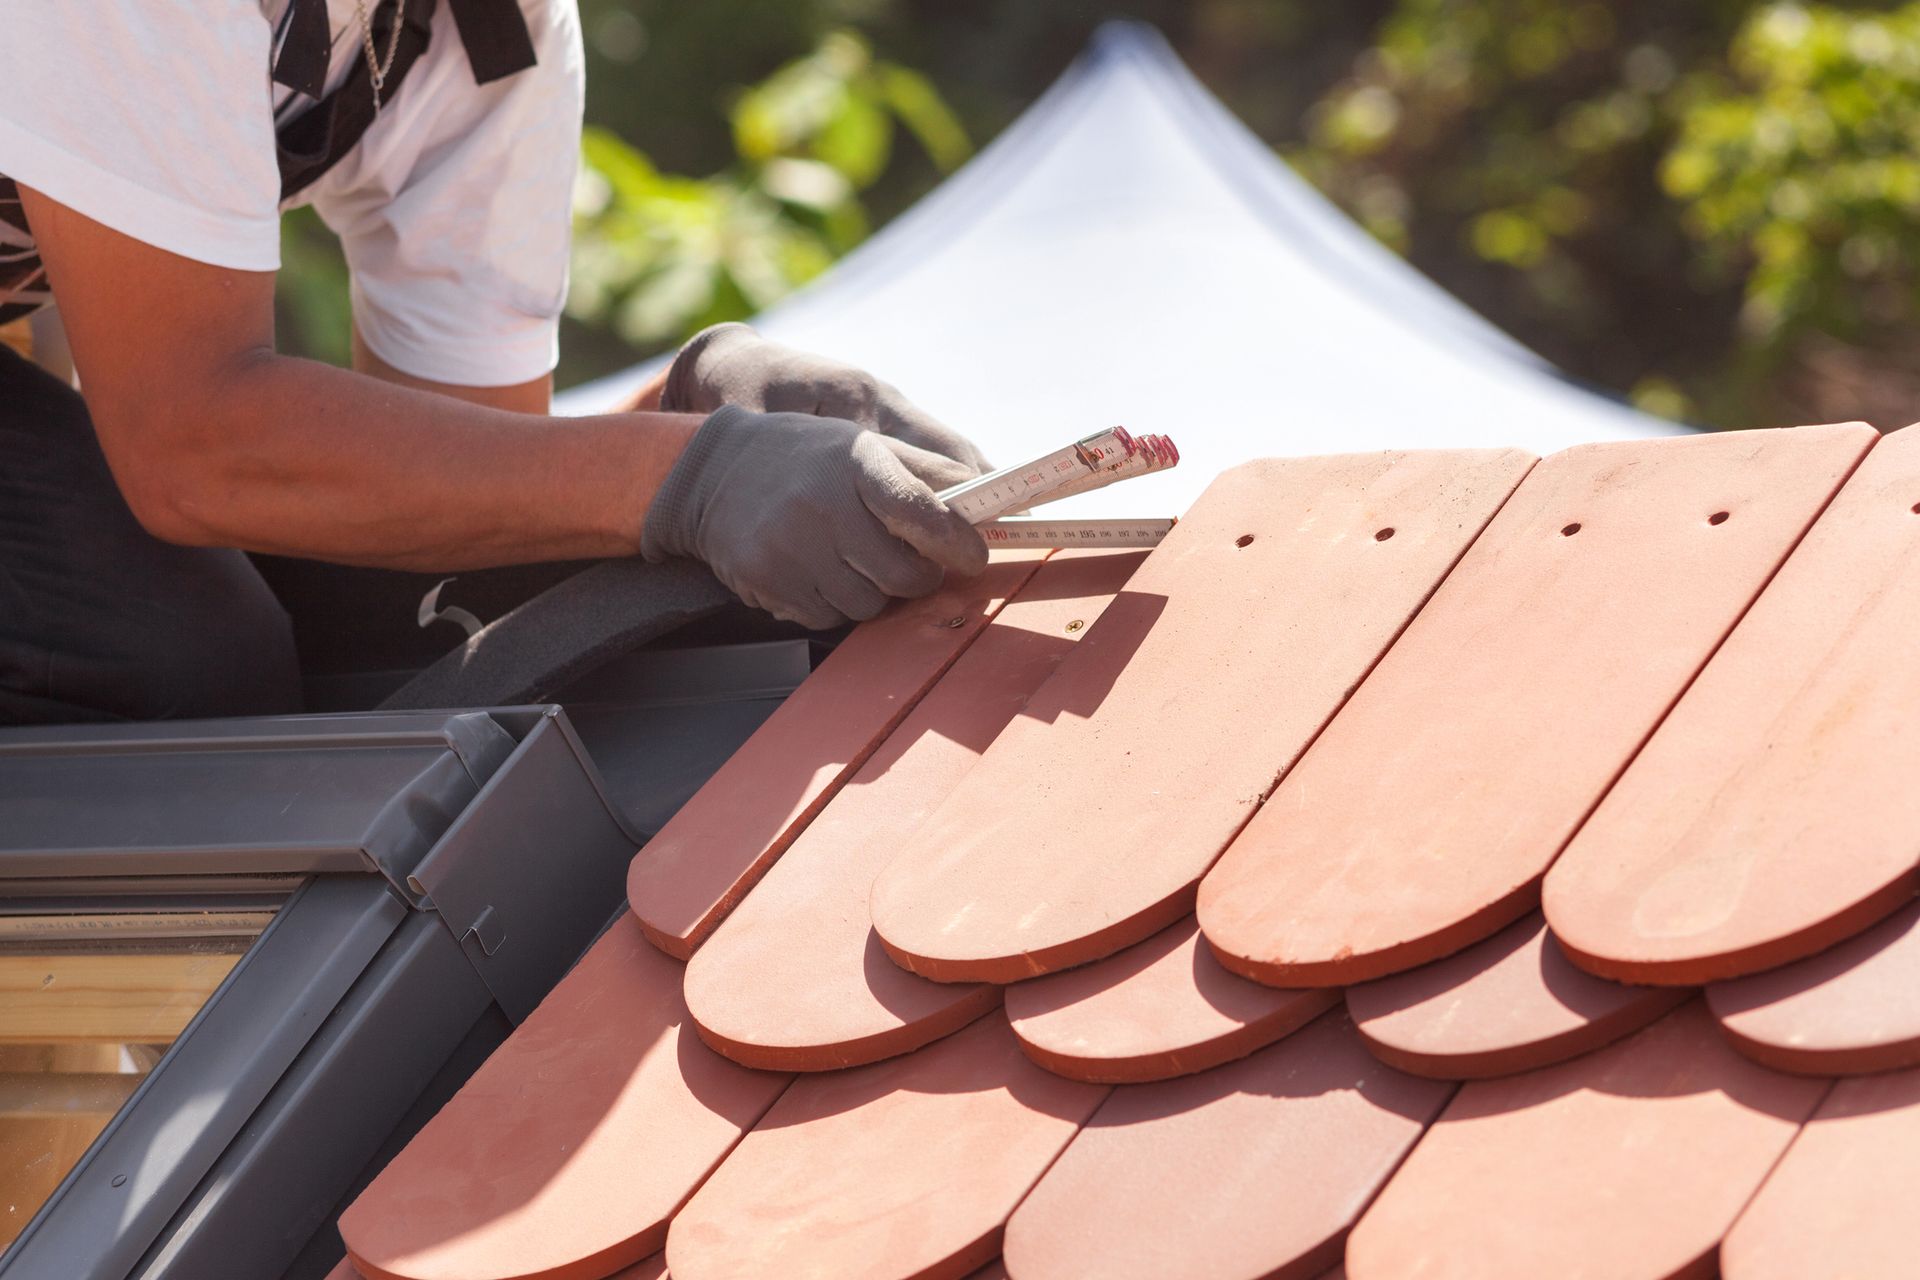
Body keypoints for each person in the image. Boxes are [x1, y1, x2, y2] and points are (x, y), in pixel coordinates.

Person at [0, 0, 990, 726]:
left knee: (383, 638)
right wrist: (691, 472)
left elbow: (455, 518)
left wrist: (694, 417)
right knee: (169, 652)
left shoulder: (494, 34)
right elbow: (193, 446)